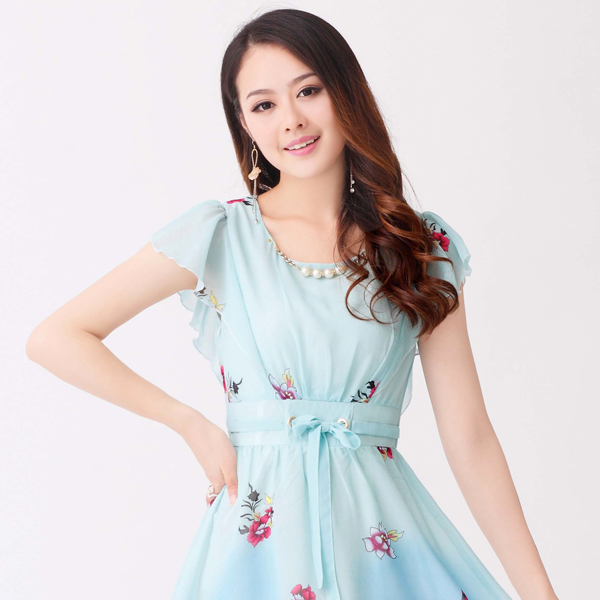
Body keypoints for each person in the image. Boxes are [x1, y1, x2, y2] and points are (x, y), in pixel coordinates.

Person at [26, 8, 560, 600]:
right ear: (244, 124)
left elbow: (470, 437)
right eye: (264, 105)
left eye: (308, 90)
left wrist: (540, 593)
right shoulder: (219, 236)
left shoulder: (418, 247)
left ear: (346, 93)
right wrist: (187, 422)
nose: (292, 120)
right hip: (257, 556)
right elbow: (57, 337)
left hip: (382, 553)